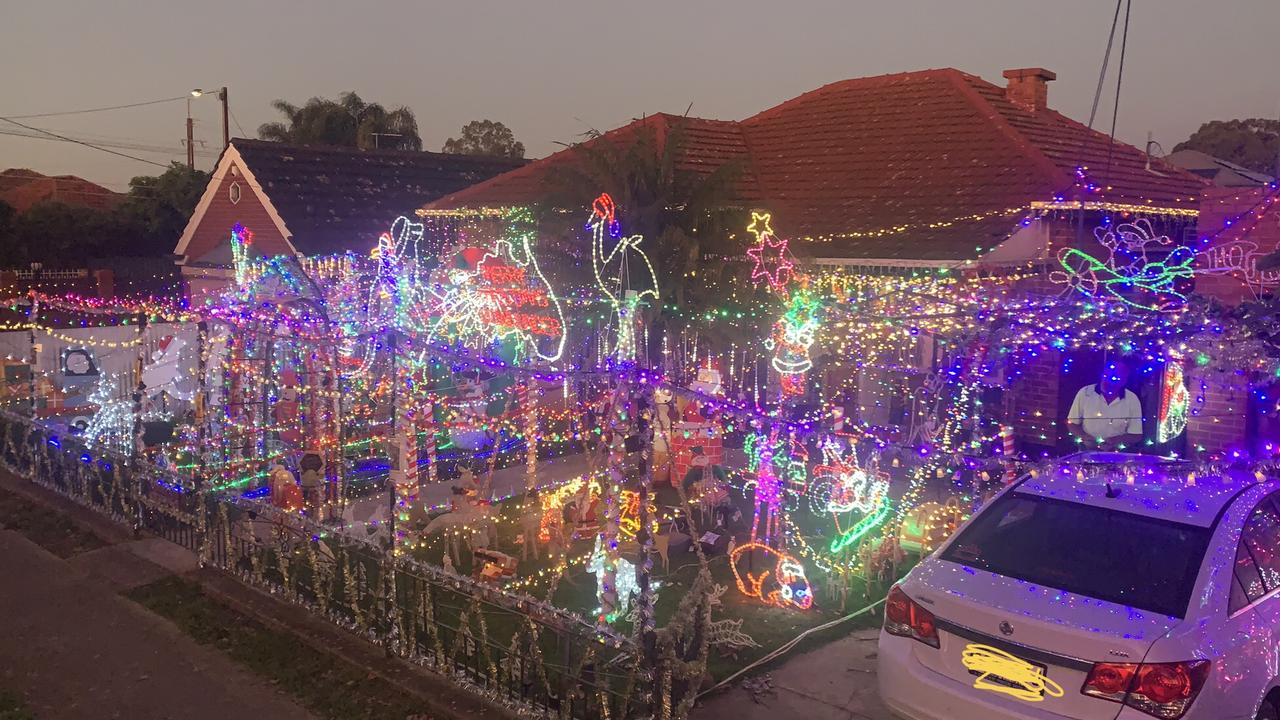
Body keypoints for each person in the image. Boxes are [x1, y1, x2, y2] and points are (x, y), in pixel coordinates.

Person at [1067, 359, 1143, 450]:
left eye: (1114, 378)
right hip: (1087, 450)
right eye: (1106, 375)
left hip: (1118, 453)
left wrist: (1116, 440)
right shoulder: (1085, 393)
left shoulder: (1132, 399)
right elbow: (1072, 423)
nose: (1107, 382)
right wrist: (1086, 438)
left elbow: (1136, 435)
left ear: (1123, 381)